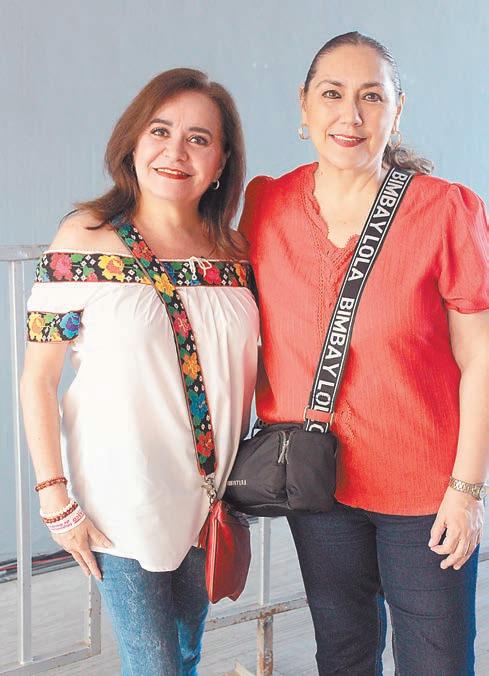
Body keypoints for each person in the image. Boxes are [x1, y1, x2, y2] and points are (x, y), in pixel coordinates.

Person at [239, 32, 488, 675]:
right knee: (343, 653)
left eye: (371, 97)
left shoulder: (445, 210)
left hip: (425, 489)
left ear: (396, 111)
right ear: (304, 105)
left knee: (437, 661)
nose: (350, 115)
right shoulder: (266, 206)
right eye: (333, 94)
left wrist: (466, 489)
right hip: (318, 483)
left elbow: (480, 358)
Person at [20, 68, 259, 676]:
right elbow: (38, 378)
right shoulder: (84, 238)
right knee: (155, 666)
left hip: (209, 495)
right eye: (160, 130)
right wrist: (54, 497)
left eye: (199, 139)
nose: (176, 151)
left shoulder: (235, 254)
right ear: (132, 142)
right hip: (120, 499)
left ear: (221, 161)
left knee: (185, 653)